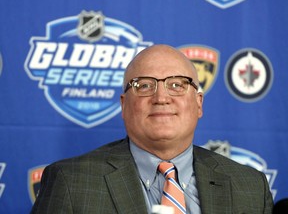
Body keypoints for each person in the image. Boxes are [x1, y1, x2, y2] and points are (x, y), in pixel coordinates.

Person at [31, 44, 273, 214]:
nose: (161, 97)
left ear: (198, 103)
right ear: (124, 105)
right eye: (144, 85)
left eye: (177, 85)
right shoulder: (71, 182)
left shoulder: (250, 187)